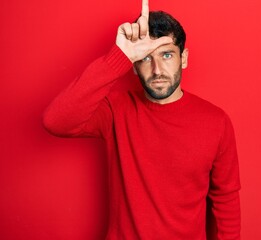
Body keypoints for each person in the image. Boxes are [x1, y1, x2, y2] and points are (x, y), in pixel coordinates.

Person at [43, 0, 241, 239]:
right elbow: (57, 120)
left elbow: (226, 200)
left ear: (184, 58)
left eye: (167, 55)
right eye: (146, 58)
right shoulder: (115, 110)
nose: (157, 69)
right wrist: (118, 57)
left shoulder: (216, 121)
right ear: (134, 66)